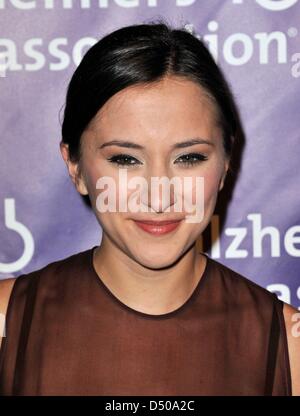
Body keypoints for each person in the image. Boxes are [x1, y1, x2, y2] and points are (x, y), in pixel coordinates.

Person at [0, 20, 299, 396]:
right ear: (74, 167)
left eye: (189, 157)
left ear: (225, 164)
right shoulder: (7, 323)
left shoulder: (290, 346)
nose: (159, 197)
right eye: (125, 160)